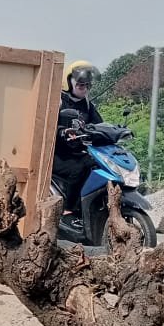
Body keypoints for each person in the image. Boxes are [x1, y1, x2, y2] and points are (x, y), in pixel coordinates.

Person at [54, 60, 103, 225]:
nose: (84, 88)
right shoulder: (59, 101)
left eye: (87, 85)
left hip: (77, 153)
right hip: (56, 155)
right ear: (69, 82)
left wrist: (115, 131)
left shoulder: (87, 105)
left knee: (98, 165)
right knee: (80, 167)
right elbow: (47, 125)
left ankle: (92, 210)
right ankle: (68, 211)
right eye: (80, 85)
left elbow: (100, 125)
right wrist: (62, 131)